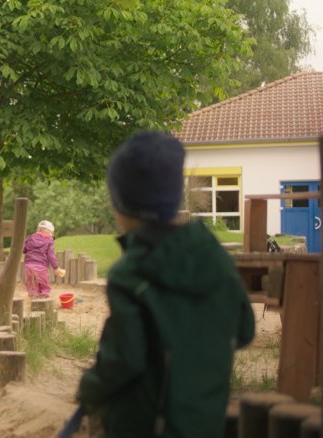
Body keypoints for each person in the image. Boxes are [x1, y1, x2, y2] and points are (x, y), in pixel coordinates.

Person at [72, 131, 255, 437]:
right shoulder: (217, 259)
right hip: (203, 423)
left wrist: (88, 388)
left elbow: (123, 360)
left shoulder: (130, 273)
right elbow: (245, 331)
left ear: (122, 205)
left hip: (142, 424)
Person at [22, 220, 67, 299]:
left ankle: (33, 300)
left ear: (38, 230)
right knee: (44, 285)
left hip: (29, 266)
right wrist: (56, 268)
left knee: (32, 285)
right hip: (41, 267)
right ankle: (44, 300)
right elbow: (51, 255)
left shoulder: (30, 237)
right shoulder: (49, 240)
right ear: (50, 233)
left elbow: (23, 249)